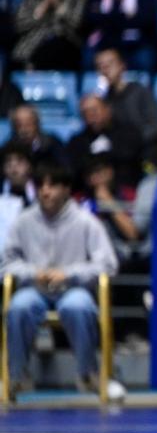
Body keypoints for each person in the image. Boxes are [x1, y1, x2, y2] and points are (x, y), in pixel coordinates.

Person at [2, 163, 118, 394]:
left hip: (74, 288)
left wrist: (70, 273)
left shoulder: (85, 221)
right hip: (34, 288)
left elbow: (108, 264)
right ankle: (15, 376)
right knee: (18, 307)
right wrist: (33, 272)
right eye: (41, 186)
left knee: (79, 307)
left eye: (53, 185)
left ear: (66, 189)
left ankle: (88, 374)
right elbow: (5, 262)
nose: (46, 191)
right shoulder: (23, 221)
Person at [66, 93, 144, 191]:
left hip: (126, 195)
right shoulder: (77, 142)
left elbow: (132, 161)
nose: (91, 116)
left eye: (94, 111)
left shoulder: (129, 134)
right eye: (85, 113)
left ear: (107, 109)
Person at [11, 0, 83, 71]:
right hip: (30, 50)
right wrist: (45, 4)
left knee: (56, 46)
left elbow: (76, 23)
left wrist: (58, 6)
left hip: (65, 49)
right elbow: (20, 25)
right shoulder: (31, 0)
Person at [93, 47, 157, 144]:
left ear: (122, 65)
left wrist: (133, 143)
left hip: (145, 150)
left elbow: (155, 126)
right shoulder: (105, 100)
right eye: (100, 66)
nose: (105, 70)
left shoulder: (140, 92)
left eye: (109, 64)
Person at [0, 144, 37, 251]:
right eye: (8, 162)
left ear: (29, 165)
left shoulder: (42, 193)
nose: (13, 167)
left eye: (19, 161)